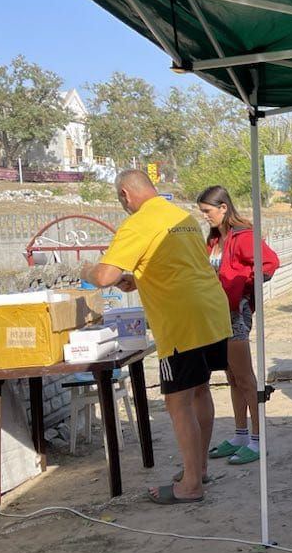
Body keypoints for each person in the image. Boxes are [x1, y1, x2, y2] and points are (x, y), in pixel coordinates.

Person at [80, 169, 230, 504]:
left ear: (125, 194)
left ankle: (191, 484)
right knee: (200, 389)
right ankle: (199, 468)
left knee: (177, 401)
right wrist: (141, 278)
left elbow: (104, 276)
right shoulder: (180, 216)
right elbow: (177, 264)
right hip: (210, 310)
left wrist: (86, 270)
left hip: (181, 321)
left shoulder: (138, 222)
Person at [196, 185, 280, 467]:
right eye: (202, 212)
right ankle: (241, 434)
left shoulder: (242, 237)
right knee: (231, 376)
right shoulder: (214, 240)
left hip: (234, 313)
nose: (205, 216)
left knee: (245, 377)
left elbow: (269, 263)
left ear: (223, 208)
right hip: (215, 314)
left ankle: (259, 439)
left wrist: (243, 286)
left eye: (207, 211)